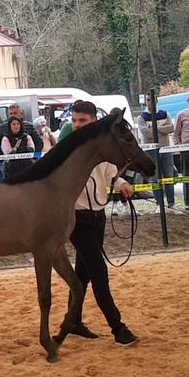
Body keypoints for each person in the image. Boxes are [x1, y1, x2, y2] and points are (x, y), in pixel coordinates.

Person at [61, 100, 138, 346]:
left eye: (82, 121)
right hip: (78, 219)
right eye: (74, 120)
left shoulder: (103, 150)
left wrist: (122, 184)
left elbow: (110, 175)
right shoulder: (68, 149)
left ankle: (72, 321)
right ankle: (118, 328)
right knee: (99, 273)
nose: (76, 125)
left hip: (98, 217)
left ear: (94, 121)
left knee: (82, 275)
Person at [137, 106, 175, 208]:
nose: (149, 101)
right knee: (155, 178)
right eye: (148, 99)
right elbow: (146, 133)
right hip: (151, 150)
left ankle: (171, 204)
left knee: (169, 177)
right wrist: (163, 129)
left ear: (156, 100)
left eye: (151, 99)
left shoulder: (164, 113)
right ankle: (159, 204)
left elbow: (171, 128)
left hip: (166, 149)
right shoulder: (141, 117)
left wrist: (155, 128)